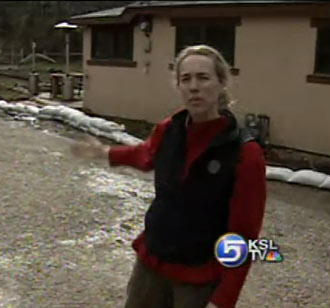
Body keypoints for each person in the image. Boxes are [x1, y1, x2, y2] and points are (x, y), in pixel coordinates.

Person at [70, 45, 266, 308]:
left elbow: (244, 236)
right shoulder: (169, 129)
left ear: (221, 84)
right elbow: (145, 154)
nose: (194, 87)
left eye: (203, 78)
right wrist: (104, 153)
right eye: (186, 79)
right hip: (152, 264)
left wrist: (223, 300)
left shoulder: (245, 153)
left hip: (198, 278)